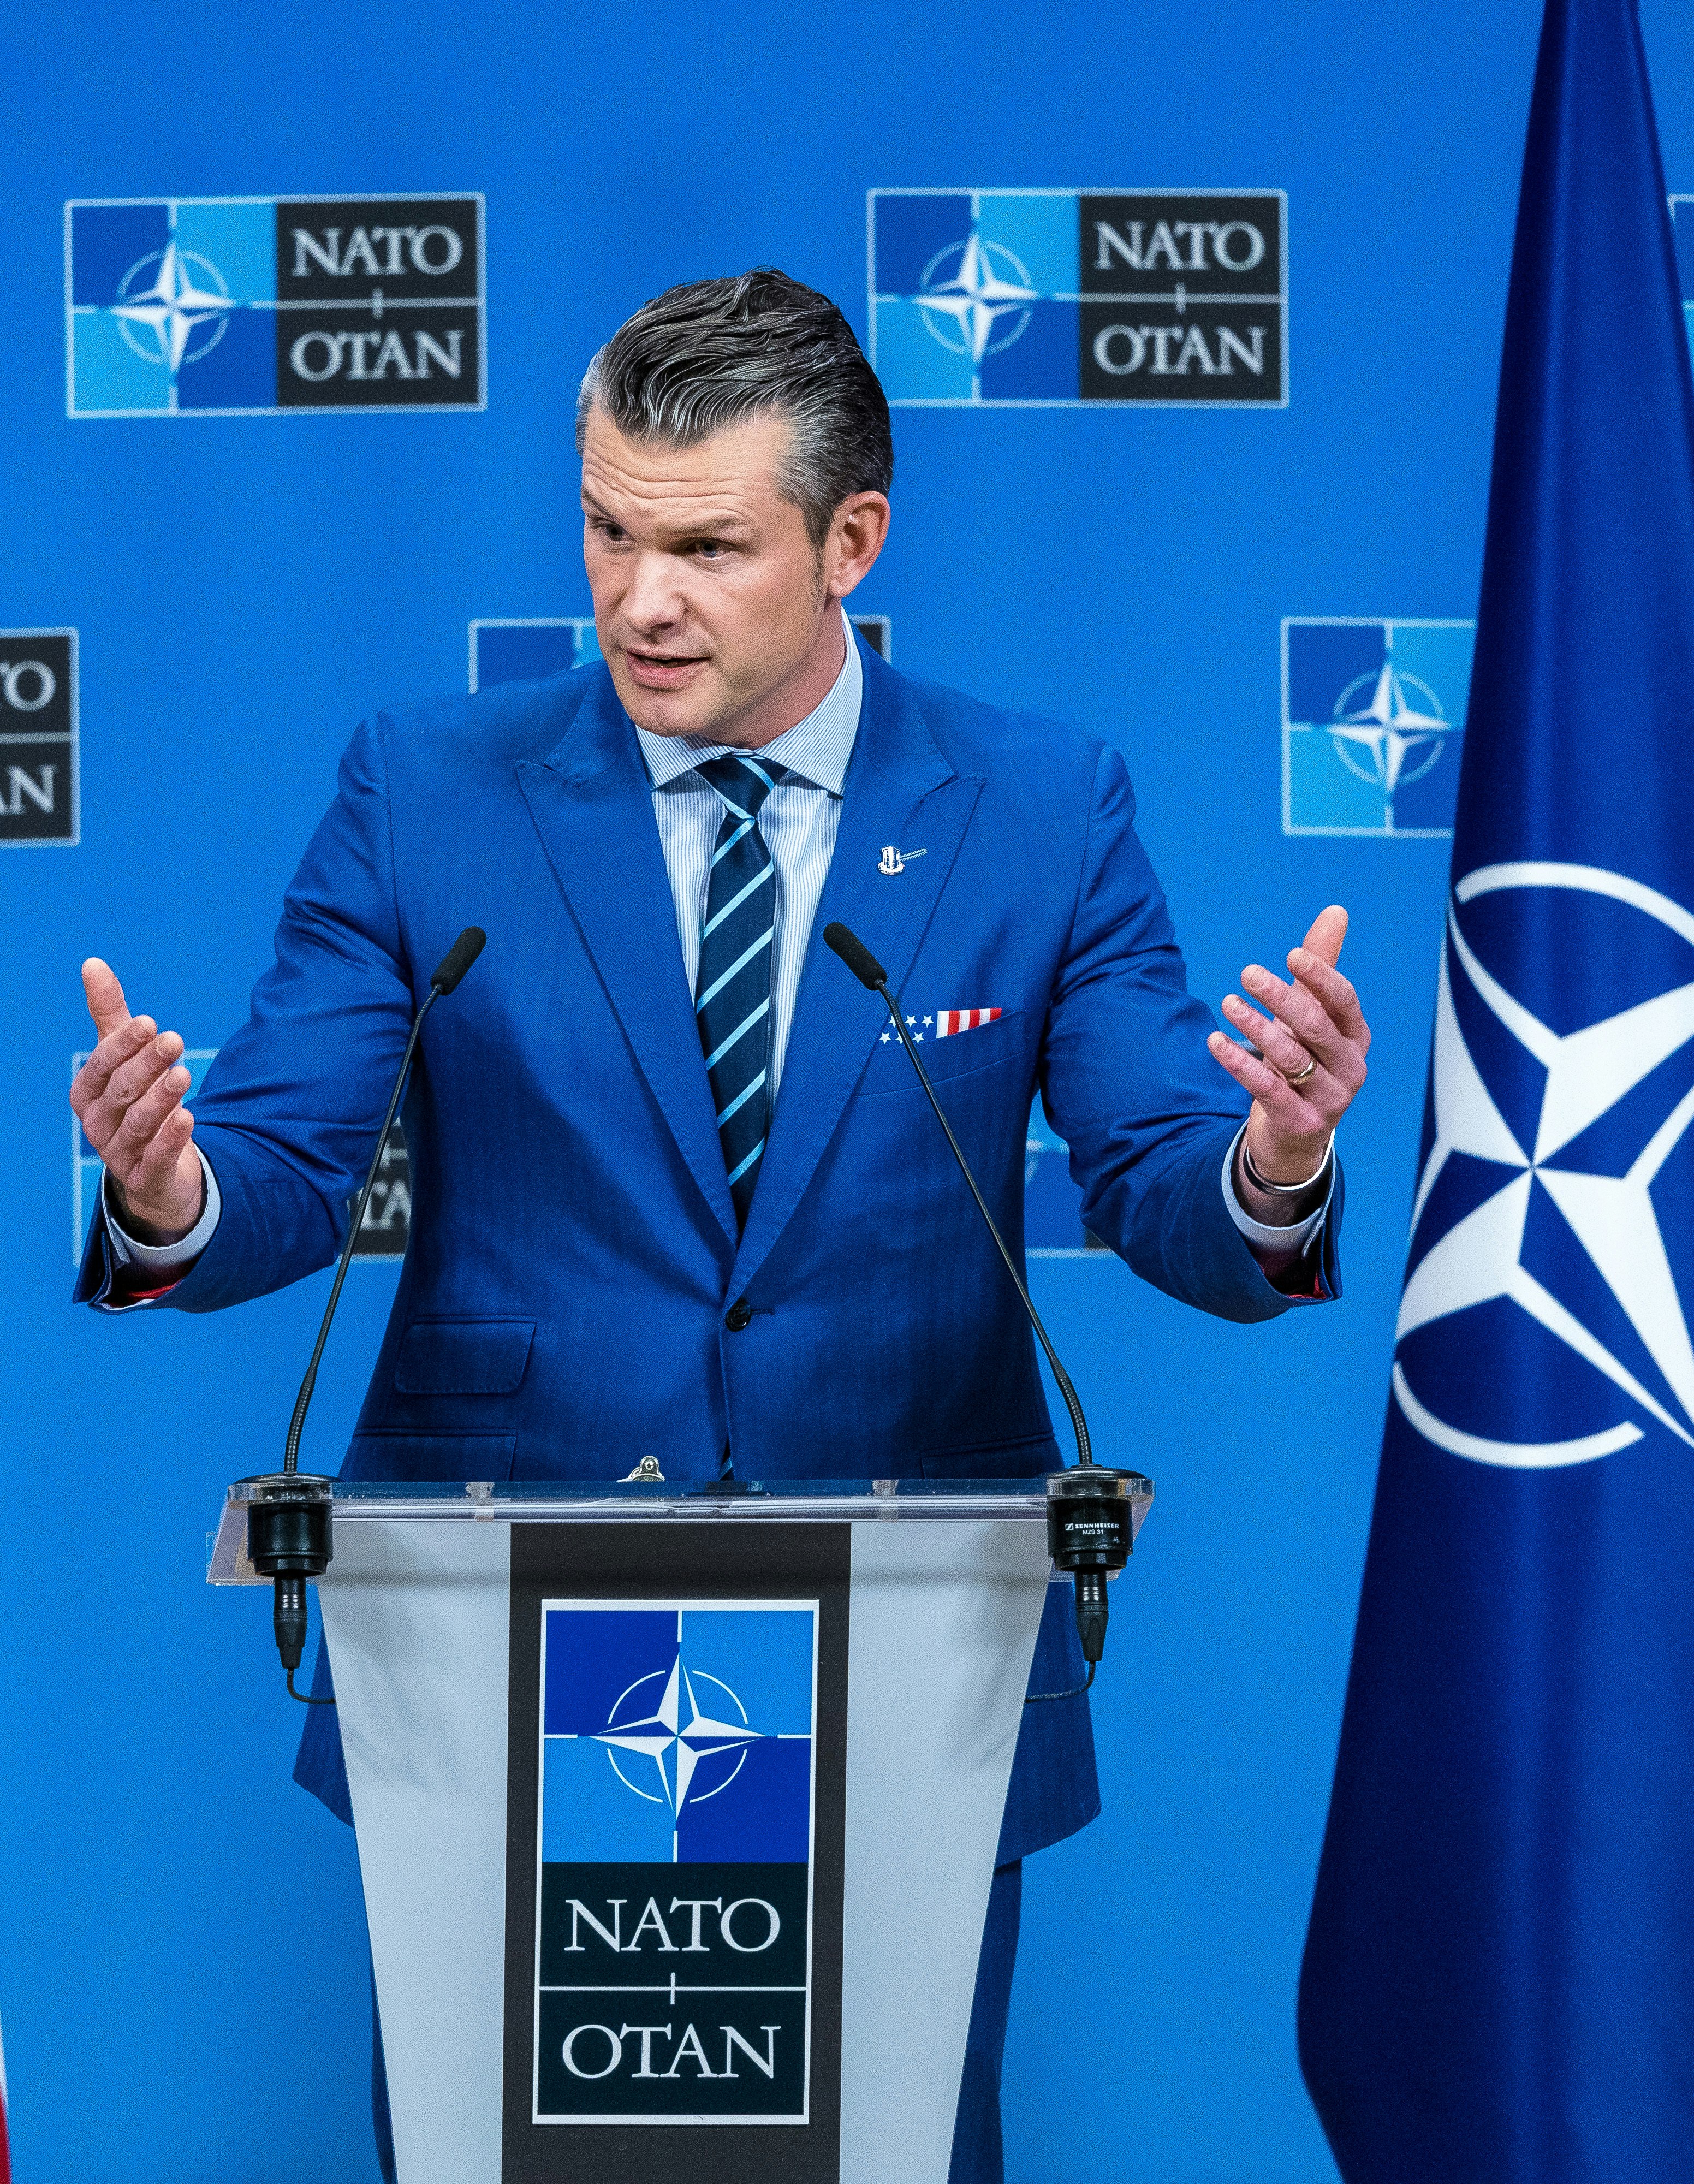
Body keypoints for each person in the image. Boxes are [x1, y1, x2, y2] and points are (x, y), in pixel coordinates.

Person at [68, 269, 1372, 2182]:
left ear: (855, 538)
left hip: (907, 1669)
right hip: (507, 1668)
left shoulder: (1040, 807)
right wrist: (168, 1186)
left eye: (704, 546)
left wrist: (1268, 1165)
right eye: (606, 529)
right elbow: (273, 1160)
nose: (636, 598)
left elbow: (1162, 1178)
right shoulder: (426, 790)